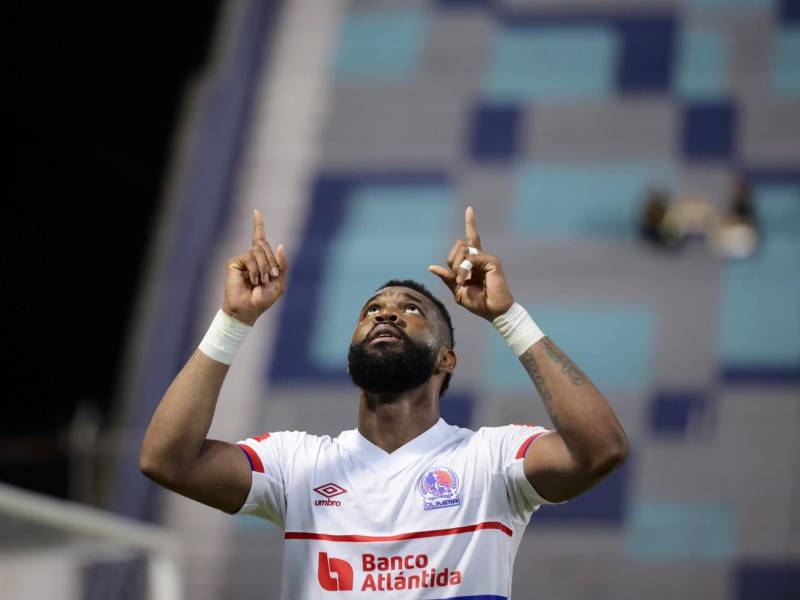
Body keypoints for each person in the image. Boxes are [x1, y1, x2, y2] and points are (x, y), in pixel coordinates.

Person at [139, 207, 629, 598]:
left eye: (410, 310)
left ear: (446, 360)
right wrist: (232, 320)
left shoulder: (492, 461)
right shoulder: (297, 465)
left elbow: (601, 449)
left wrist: (508, 317)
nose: (386, 315)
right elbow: (167, 460)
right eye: (372, 309)